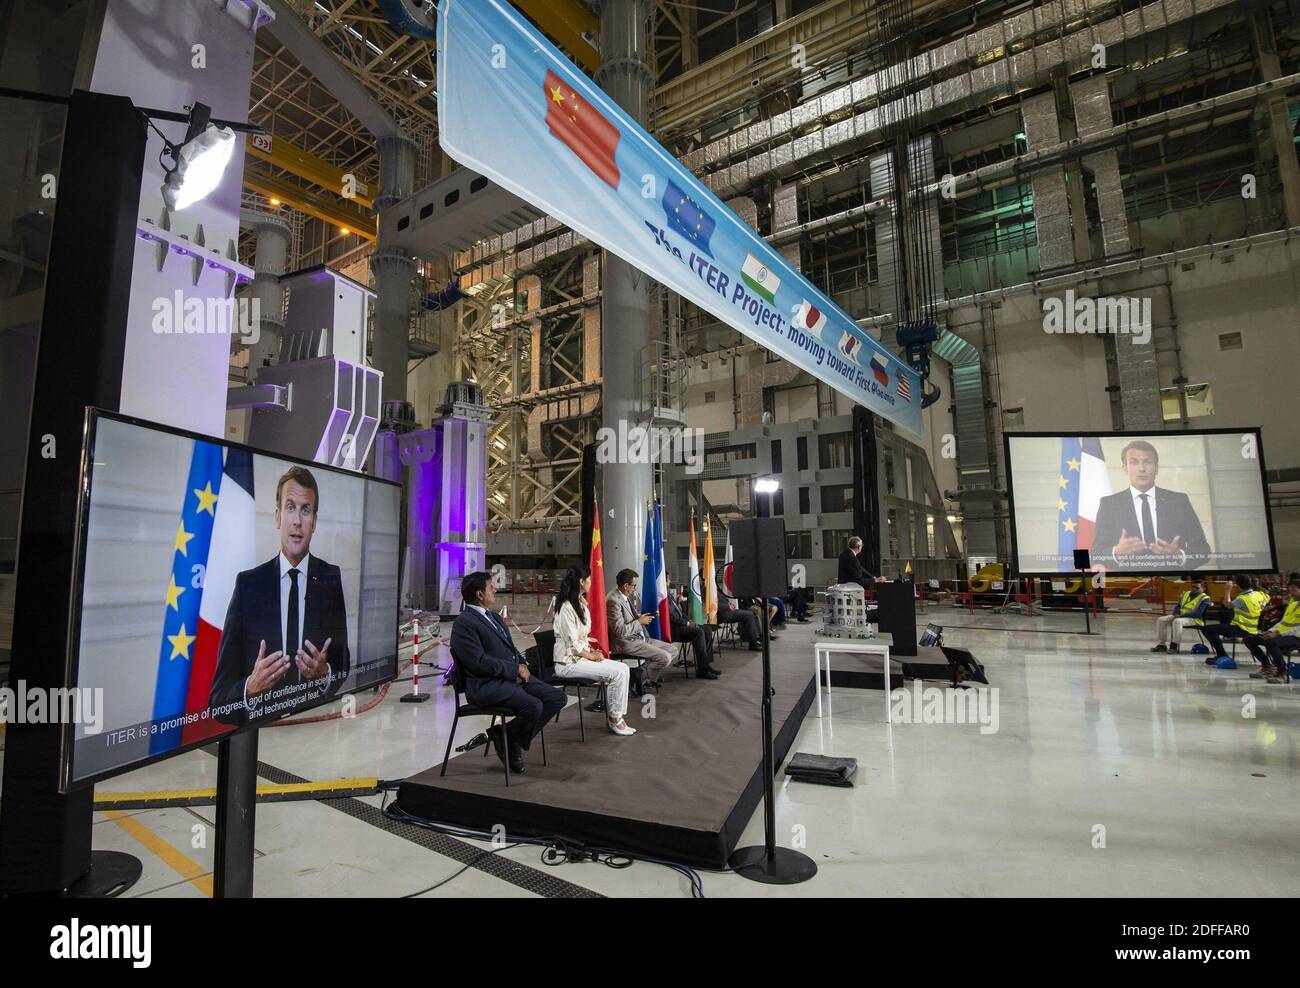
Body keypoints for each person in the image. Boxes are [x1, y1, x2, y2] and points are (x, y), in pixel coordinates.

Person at [210, 466, 349, 726]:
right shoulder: (248, 586)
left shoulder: (331, 579)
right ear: (277, 517)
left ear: (314, 522)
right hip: (263, 739)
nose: (297, 520)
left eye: (306, 509)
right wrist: (250, 689)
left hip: (316, 729)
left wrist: (324, 674)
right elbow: (218, 700)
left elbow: (343, 664)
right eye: (290, 507)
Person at [451, 571, 566, 772]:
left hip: (511, 678)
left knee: (557, 698)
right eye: (490, 587)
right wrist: (514, 670)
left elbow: (510, 649)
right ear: (479, 594)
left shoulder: (493, 616)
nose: (495, 589)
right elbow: (478, 662)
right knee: (533, 707)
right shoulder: (464, 623)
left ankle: (505, 735)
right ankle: (511, 743)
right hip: (486, 684)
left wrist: (523, 665)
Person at [1091, 440, 1211, 570]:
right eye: (1134, 462)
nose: (1142, 469)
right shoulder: (1109, 504)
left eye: (1147, 462)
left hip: (1172, 583)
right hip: (1130, 585)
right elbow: (1096, 553)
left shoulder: (1178, 501)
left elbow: (1203, 550)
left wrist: (1179, 555)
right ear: (1125, 468)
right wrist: (1116, 552)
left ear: (1156, 468)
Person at [551, 566, 636, 734]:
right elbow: (572, 644)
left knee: (624, 669)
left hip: (580, 657)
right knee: (617, 674)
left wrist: (585, 607)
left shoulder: (579, 604)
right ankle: (614, 719)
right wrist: (590, 655)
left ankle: (616, 716)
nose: (591, 582)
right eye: (589, 579)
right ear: (581, 582)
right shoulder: (566, 608)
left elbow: (584, 633)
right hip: (567, 662)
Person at [606, 569, 676, 688]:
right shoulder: (613, 600)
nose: (635, 588)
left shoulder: (625, 595)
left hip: (639, 637)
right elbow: (619, 631)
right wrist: (639, 622)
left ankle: (641, 674)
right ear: (625, 585)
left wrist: (640, 618)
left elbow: (629, 619)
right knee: (665, 658)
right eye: (633, 585)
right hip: (627, 642)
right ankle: (643, 678)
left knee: (673, 650)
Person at [1200, 574, 1267, 669]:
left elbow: (1227, 604)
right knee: (1217, 625)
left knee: (1207, 629)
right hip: (1253, 628)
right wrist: (1261, 607)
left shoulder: (1243, 599)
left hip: (1242, 629)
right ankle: (1221, 654)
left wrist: (1227, 590)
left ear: (1238, 586)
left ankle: (1222, 655)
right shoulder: (1259, 594)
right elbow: (1267, 597)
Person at [665, 580, 720, 679]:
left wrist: (689, 620)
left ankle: (706, 665)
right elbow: (672, 617)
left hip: (681, 625)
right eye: (668, 579)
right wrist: (688, 623)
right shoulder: (662, 597)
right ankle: (702, 670)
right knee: (698, 632)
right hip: (673, 629)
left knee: (706, 629)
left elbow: (680, 613)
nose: (669, 581)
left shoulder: (669, 595)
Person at [1250, 577, 1299, 683]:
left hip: (1297, 637)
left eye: (1294, 591)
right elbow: (1283, 622)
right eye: (1290, 591)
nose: (1291, 594)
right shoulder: (1293, 604)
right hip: (1283, 634)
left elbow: (1298, 629)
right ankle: (1267, 666)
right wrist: (1271, 631)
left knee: (1272, 643)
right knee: (1250, 639)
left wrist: (1278, 634)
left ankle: (1282, 672)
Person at [1150, 577, 1210, 653]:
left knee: (1177, 621)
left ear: (1203, 588)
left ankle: (1174, 646)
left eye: (1197, 588)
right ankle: (1162, 645)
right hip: (1180, 616)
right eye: (1193, 587)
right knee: (1161, 620)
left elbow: (1197, 614)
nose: (1194, 589)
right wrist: (1175, 613)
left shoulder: (1205, 598)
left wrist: (1180, 616)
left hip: (1195, 619)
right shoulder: (1186, 593)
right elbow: (1178, 606)